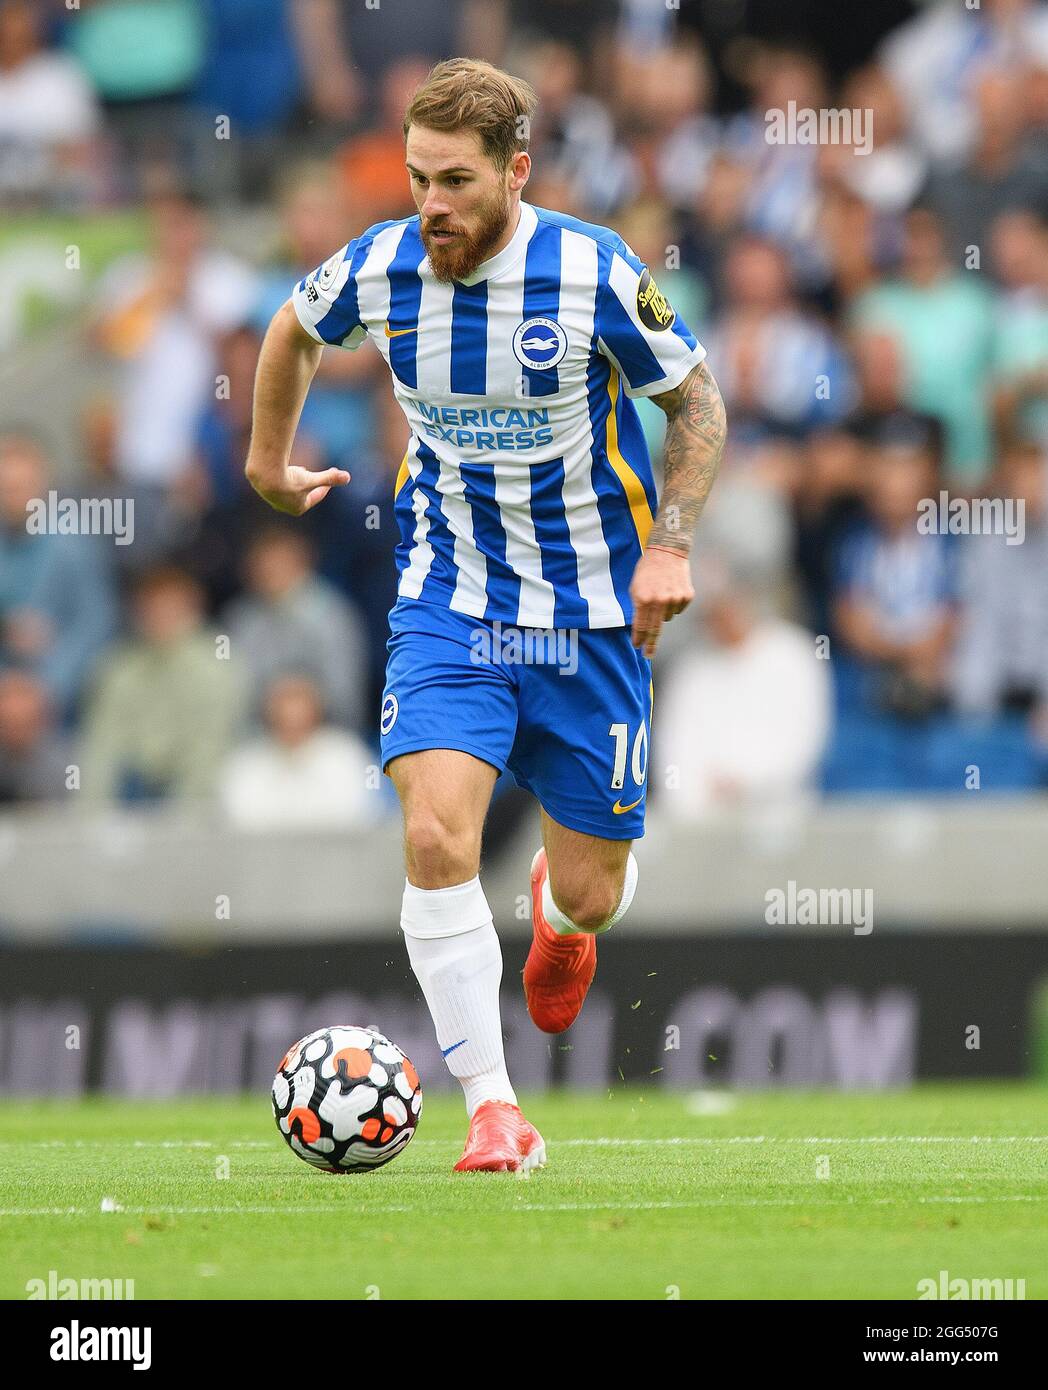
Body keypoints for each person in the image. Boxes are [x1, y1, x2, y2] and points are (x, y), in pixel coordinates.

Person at [246, 59, 726, 1173]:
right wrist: (267, 460)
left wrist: (671, 545)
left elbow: (694, 400)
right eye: (417, 177)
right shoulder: (381, 262)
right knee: (431, 832)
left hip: (594, 617)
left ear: (517, 170)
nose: (431, 205)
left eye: (455, 180)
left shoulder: (592, 268)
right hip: (450, 599)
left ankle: (559, 918)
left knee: (597, 890)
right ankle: (493, 1108)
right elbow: (293, 327)